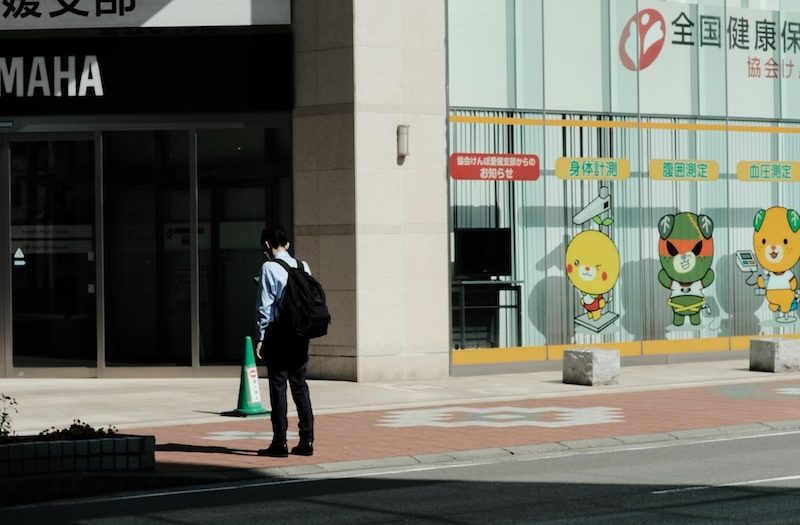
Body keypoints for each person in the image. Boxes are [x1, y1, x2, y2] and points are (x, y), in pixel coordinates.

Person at [254, 227, 315, 457]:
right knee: (300, 386)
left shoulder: (268, 268)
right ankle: (307, 440)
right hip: (301, 334)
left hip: (279, 334)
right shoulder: (303, 266)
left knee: (278, 387)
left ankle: (280, 443)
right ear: (287, 244)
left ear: (267, 245)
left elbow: (264, 307)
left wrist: (261, 337)